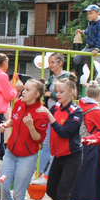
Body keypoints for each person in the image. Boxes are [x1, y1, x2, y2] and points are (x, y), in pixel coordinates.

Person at [0, 79, 49, 200]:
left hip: (27, 156)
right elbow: (15, 119)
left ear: (37, 94)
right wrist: (6, 124)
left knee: (19, 194)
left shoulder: (41, 112)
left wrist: (31, 127)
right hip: (11, 152)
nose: (23, 92)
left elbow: (38, 140)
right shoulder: (19, 103)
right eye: (24, 89)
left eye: (27, 89)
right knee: (2, 187)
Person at [37, 74, 83, 200]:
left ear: (72, 92)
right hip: (59, 156)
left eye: (61, 91)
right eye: (56, 91)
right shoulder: (56, 107)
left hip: (72, 156)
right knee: (50, 191)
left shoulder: (76, 111)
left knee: (63, 194)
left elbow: (64, 132)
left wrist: (50, 117)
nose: (58, 94)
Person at [71, 83, 100, 200]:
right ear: (99, 95)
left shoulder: (79, 106)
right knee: (88, 178)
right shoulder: (95, 110)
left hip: (78, 144)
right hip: (90, 146)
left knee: (79, 177)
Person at [33, 52, 71, 185]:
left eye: (53, 62)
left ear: (61, 62)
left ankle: (47, 174)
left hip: (60, 113)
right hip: (51, 112)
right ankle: (38, 172)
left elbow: (65, 94)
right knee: (47, 144)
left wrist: (51, 93)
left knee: (55, 144)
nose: (50, 65)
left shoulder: (66, 77)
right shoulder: (52, 78)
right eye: (49, 62)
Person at [0, 52, 24, 182]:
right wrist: (15, 90)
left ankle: (0, 165)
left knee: (0, 140)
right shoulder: (2, 75)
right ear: (4, 64)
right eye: (7, 62)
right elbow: (9, 95)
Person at [73, 4, 100, 69]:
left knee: (87, 54)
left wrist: (97, 48)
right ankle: (88, 64)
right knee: (76, 60)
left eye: (91, 13)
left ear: (97, 13)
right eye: (88, 14)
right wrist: (82, 32)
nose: (89, 15)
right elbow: (89, 32)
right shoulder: (90, 23)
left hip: (97, 47)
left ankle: (93, 72)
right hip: (89, 46)